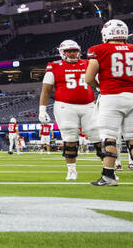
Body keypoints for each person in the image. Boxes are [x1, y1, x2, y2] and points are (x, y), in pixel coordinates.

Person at [86, 19, 133, 187]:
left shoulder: (98, 50)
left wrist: (100, 85)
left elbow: (88, 78)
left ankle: (108, 176)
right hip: (132, 97)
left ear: (106, 33)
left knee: (109, 137)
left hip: (111, 97)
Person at [36, 39, 96, 179]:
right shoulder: (54, 66)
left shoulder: (88, 64)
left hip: (88, 104)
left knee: (97, 135)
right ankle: (71, 170)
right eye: (69, 51)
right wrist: (42, 109)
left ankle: (108, 170)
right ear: (62, 52)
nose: (72, 53)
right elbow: (46, 90)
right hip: (65, 105)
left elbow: (98, 82)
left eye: (74, 50)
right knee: (70, 137)